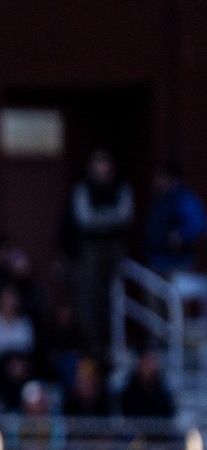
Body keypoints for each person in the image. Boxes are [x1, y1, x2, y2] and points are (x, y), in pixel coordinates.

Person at [69, 150, 134, 348]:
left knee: (115, 293)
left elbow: (124, 215)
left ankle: (114, 340)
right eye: (97, 162)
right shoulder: (83, 188)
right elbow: (84, 218)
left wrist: (101, 218)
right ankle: (93, 342)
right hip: (91, 248)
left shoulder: (121, 187)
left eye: (104, 162)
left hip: (114, 247)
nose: (101, 167)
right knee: (91, 295)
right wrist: (108, 218)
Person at [146, 161, 205, 274]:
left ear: (169, 177)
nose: (155, 180)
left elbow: (198, 223)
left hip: (177, 264)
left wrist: (182, 235)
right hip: (157, 261)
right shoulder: (160, 199)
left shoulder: (183, 198)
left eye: (159, 176)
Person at [120, 349, 177, 418]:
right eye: (146, 363)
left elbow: (168, 416)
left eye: (151, 363)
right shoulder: (128, 394)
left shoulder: (163, 394)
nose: (149, 367)